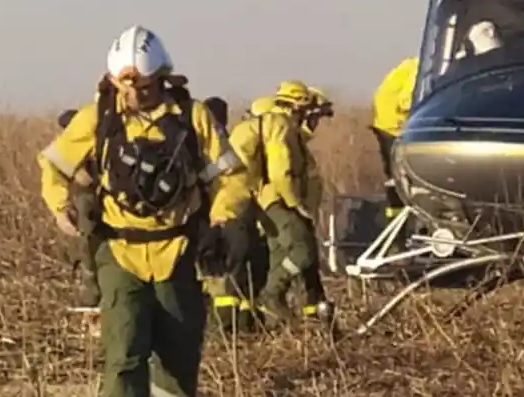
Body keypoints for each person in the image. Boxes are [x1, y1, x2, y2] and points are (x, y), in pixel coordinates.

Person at [37, 24, 254, 397]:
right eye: (126, 87)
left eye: (145, 87)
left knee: (178, 363)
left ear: (163, 79)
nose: (135, 95)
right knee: (124, 356)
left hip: (180, 253)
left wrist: (223, 218)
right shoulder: (97, 119)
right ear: (112, 80)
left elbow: (231, 176)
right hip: (119, 254)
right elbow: (53, 163)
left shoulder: (194, 118)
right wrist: (60, 206)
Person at [238, 80, 335, 323]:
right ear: (296, 107)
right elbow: (281, 171)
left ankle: (274, 321)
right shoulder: (280, 125)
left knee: (279, 257)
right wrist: (295, 204)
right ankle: (272, 294)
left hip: (270, 200)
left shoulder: (277, 125)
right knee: (303, 251)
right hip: (277, 201)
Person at [370, 57, 419, 220]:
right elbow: (406, 100)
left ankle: (397, 218)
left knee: (395, 179)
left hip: (388, 124)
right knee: (401, 180)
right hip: (393, 127)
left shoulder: (412, 65)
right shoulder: (418, 70)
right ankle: (400, 224)